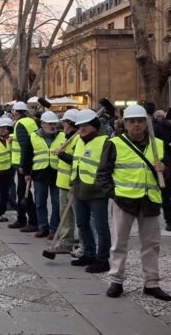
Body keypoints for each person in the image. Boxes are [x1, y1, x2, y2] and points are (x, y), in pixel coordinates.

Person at [98, 105, 171, 301]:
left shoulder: (159, 145)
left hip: (150, 201)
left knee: (151, 245)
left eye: (140, 121)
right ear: (125, 124)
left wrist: (163, 170)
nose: (136, 125)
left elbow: (168, 176)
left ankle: (151, 283)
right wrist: (113, 194)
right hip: (124, 200)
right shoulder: (114, 144)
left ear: (146, 123)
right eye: (132, 121)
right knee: (119, 244)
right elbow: (103, 173)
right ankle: (116, 280)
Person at [57, 108, 110, 273]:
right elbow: (77, 162)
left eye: (86, 125)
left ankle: (102, 259)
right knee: (82, 224)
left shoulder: (105, 142)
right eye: (80, 125)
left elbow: (108, 167)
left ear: (94, 125)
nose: (82, 128)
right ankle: (88, 253)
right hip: (79, 189)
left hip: (96, 191)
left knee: (101, 227)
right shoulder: (79, 140)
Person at [23, 111, 65, 239]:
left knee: (57, 203)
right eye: (49, 123)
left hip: (57, 173)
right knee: (40, 202)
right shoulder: (33, 136)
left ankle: (54, 228)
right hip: (39, 173)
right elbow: (27, 155)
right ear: (42, 124)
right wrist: (26, 172)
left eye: (54, 123)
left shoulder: (63, 136)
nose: (52, 126)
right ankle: (43, 227)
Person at [48, 109, 79, 255]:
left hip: (73, 184)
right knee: (65, 216)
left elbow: (77, 161)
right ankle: (67, 241)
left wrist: (62, 155)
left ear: (70, 123)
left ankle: (81, 242)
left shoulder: (78, 139)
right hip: (62, 182)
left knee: (78, 216)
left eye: (65, 122)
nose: (63, 125)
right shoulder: (67, 137)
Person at [9, 101, 39, 233]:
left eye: (13, 112)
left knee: (23, 193)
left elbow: (24, 145)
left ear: (16, 112)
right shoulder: (31, 122)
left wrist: (23, 165)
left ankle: (29, 220)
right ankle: (24, 219)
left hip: (22, 163)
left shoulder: (20, 124)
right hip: (30, 161)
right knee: (23, 192)